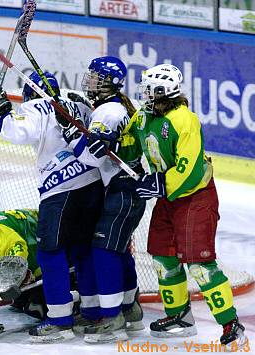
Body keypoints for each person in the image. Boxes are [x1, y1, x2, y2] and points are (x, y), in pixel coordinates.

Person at [119, 63, 248, 350]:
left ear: (163, 91)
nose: (143, 93)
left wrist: (160, 183)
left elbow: (189, 169)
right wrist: (107, 143)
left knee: (200, 266)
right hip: (168, 198)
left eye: (149, 89)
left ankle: (230, 322)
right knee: (163, 260)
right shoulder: (143, 117)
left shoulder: (183, 120)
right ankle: (179, 316)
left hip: (195, 198)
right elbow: (129, 145)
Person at [0, 72, 105, 343]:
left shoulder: (36, 105)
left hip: (61, 190)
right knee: (83, 251)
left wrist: (0, 112)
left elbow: (15, 132)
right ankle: (93, 311)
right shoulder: (78, 103)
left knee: (50, 254)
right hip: (94, 184)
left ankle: (60, 321)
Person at [61, 56, 146, 343]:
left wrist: (69, 131)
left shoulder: (108, 112)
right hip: (126, 190)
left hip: (123, 190)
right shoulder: (113, 107)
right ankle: (129, 309)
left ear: (108, 81)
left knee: (104, 250)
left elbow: (89, 157)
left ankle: (113, 320)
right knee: (118, 250)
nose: (90, 80)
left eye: (95, 76)